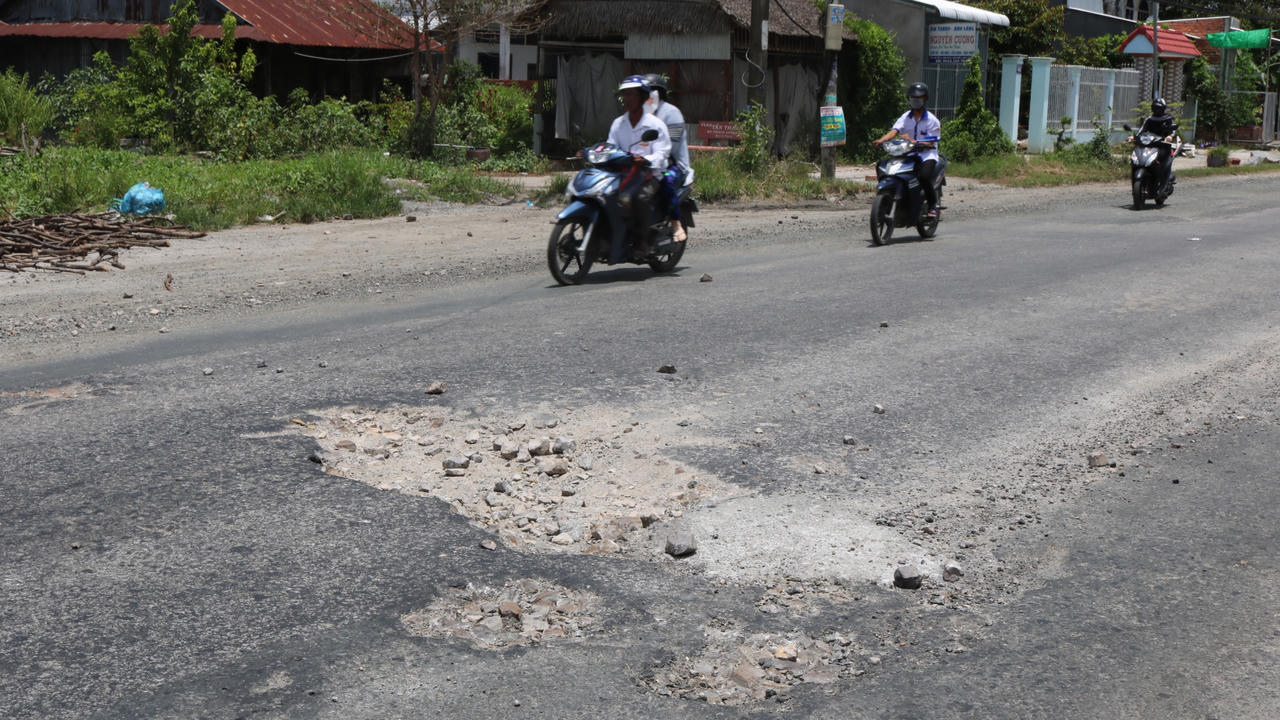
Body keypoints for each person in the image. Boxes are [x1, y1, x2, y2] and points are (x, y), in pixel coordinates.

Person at [606, 75, 672, 261]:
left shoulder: (655, 125)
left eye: (631, 95)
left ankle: (643, 240)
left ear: (643, 97)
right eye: (625, 95)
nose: (627, 99)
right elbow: (611, 147)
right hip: (624, 173)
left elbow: (662, 154)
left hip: (650, 174)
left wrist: (645, 160)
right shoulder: (618, 124)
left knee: (639, 197)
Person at [873, 82, 942, 218]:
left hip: (927, 155)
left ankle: (933, 205)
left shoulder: (932, 120)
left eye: (918, 98)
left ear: (925, 99)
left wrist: (913, 141)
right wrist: (881, 140)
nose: (915, 101)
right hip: (908, 153)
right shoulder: (906, 117)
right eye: (912, 98)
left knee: (923, 177)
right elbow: (894, 131)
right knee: (882, 166)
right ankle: (891, 195)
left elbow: (931, 141)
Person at [642, 72, 692, 243]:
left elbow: (671, 147)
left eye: (648, 92)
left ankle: (675, 223)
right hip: (646, 163)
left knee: (666, 181)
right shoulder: (640, 113)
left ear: (657, 94)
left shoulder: (672, 113)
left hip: (674, 164)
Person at [1136, 98, 1177, 189]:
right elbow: (1141, 130)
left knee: (1163, 159)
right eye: (1155, 108)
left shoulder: (1168, 118)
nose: (1157, 110)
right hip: (1151, 143)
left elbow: (1172, 131)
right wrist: (1135, 137)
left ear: (1163, 108)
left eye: (1159, 108)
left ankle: (1164, 179)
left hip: (1163, 144)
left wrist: (1170, 137)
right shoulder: (1149, 119)